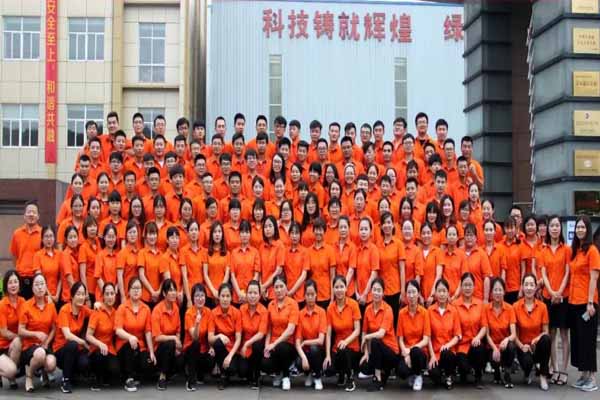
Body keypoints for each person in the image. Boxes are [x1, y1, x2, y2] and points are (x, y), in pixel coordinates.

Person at [569, 215, 599, 392]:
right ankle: (584, 375)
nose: (580, 230)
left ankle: (592, 378)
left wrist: (590, 303)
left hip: (587, 303)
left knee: (588, 341)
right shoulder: (576, 251)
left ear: (587, 230)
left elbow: (594, 278)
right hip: (574, 301)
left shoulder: (592, 251)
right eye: (578, 227)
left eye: (583, 227)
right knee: (579, 340)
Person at [539, 215, 570, 386]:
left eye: (557, 225)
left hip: (563, 297)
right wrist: (551, 292)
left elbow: (567, 272)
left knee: (564, 334)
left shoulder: (566, 249)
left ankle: (564, 370)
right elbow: (543, 274)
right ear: (548, 229)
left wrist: (559, 292)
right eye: (552, 225)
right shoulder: (543, 250)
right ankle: (555, 368)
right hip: (548, 297)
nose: (555, 228)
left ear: (560, 228)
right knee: (551, 334)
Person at [115, 277, 156, 392]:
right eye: (133, 288)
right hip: (124, 345)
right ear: (128, 291)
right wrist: (130, 337)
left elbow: (148, 331)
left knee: (148, 363)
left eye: (138, 288)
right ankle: (129, 378)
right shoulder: (122, 307)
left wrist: (151, 351)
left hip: (140, 346)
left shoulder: (146, 308)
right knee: (131, 345)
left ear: (142, 291)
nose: (136, 291)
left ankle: (135, 374)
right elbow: (118, 330)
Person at [18, 273, 57, 393]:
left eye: (42, 284)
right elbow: (20, 331)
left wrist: (47, 342)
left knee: (51, 364)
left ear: (46, 287)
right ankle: (29, 376)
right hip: (29, 346)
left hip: (44, 345)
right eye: (36, 284)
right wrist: (35, 334)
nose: (40, 287)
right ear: (32, 288)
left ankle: (45, 373)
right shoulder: (26, 306)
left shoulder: (50, 305)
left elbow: (54, 328)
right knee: (40, 354)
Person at [360, 278, 399, 392]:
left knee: (375, 341)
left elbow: (381, 334)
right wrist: (366, 353)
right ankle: (383, 373)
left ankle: (377, 378)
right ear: (371, 291)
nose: (376, 293)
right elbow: (364, 331)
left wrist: (367, 337)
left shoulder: (388, 309)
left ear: (383, 293)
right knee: (364, 366)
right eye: (374, 290)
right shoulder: (368, 309)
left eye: (379, 290)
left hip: (390, 352)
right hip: (377, 351)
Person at [323, 275, 361, 392]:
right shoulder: (330, 308)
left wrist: (346, 341)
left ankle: (350, 378)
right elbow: (328, 334)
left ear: (346, 288)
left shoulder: (353, 304)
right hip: (337, 347)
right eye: (336, 287)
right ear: (333, 289)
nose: (339, 290)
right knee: (328, 370)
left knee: (344, 351)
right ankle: (341, 373)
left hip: (352, 347)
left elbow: (357, 330)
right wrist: (328, 355)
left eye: (341, 287)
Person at [514, 273, 550, 391]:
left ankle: (543, 376)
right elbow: (514, 334)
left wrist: (538, 338)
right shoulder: (516, 306)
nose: (529, 288)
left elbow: (546, 332)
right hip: (523, 347)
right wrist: (521, 346)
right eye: (526, 285)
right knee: (527, 362)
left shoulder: (542, 307)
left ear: (535, 287)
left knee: (546, 339)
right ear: (522, 287)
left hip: (536, 346)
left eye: (531, 285)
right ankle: (526, 373)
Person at [54, 282, 92, 393]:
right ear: (72, 296)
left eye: (83, 294)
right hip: (61, 350)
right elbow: (67, 335)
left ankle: (73, 374)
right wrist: (83, 342)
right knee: (72, 345)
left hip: (75, 349)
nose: (81, 297)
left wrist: (99, 305)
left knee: (84, 362)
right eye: (78, 294)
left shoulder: (83, 309)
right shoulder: (64, 310)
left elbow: (96, 315)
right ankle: (65, 380)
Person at [262, 274, 299, 391]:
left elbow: (290, 330)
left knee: (281, 348)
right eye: (276, 287)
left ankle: (286, 376)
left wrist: (274, 344)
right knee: (264, 364)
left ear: (286, 287)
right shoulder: (270, 305)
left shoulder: (293, 304)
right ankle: (278, 372)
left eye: (281, 286)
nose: (278, 290)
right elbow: (269, 329)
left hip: (288, 345)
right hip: (273, 344)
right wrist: (267, 346)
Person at [454, 273, 487, 388]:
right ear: (461, 286)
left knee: (480, 349)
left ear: (474, 286)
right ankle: (464, 372)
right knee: (463, 366)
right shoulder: (455, 304)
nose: (467, 288)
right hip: (461, 345)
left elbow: (484, 326)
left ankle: (478, 376)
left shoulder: (480, 304)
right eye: (465, 285)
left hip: (475, 343)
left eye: (470, 285)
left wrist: (478, 337)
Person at [86, 282, 120, 391]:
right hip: (96, 349)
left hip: (110, 349)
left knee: (115, 372)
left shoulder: (116, 312)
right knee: (100, 356)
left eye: (112, 294)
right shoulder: (97, 311)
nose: (110, 297)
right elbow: (88, 336)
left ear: (115, 295)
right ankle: (96, 378)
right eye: (107, 294)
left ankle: (105, 376)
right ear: (103, 296)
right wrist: (100, 344)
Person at [396, 280, 429, 391]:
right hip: (406, 351)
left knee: (416, 352)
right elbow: (400, 339)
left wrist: (410, 351)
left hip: (420, 352)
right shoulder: (401, 313)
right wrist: (405, 352)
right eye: (409, 292)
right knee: (401, 371)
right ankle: (411, 374)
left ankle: (418, 376)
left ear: (418, 294)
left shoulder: (424, 313)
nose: (411, 295)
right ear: (406, 295)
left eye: (414, 292)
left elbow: (426, 340)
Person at [428, 278, 461, 390]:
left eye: (444, 291)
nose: (442, 294)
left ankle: (448, 376)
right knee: (434, 375)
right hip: (435, 353)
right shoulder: (430, 311)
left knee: (446, 354)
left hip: (449, 352)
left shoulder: (453, 311)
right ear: (435, 293)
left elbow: (457, 335)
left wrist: (447, 345)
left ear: (448, 293)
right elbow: (427, 336)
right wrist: (432, 356)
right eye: (439, 291)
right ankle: (440, 373)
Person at [208, 283, 242, 390]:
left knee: (235, 370)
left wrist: (230, 356)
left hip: (233, 349)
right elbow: (210, 338)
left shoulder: (237, 313)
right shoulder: (213, 313)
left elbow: (238, 339)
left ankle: (227, 371)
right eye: (222, 296)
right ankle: (223, 375)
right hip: (220, 348)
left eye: (228, 296)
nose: (225, 299)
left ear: (231, 298)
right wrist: (220, 335)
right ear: (219, 297)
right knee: (217, 342)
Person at [485, 277, 517, 388]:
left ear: (504, 291)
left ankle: (507, 372)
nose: (498, 293)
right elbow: (487, 334)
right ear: (491, 292)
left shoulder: (510, 308)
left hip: (504, 345)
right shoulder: (486, 309)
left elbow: (513, 334)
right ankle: (497, 372)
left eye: (500, 290)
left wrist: (506, 339)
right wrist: (495, 348)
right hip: (492, 346)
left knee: (511, 346)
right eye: (495, 290)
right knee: (493, 357)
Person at [152, 279, 183, 391]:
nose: (173, 293)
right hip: (159, 348)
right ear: (164, 294)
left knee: (181, 359)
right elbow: (157, 337)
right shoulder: (157, 310)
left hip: (171, 346)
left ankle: (170, 372)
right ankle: (162, 376)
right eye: (170, 290)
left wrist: (177, 344)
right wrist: (174, 339)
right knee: (169, 344)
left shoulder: (176, 308)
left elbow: (178, 330)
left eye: (175, 290)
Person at [295, 279, 327, 390]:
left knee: (314, 349)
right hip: (306, 351)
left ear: (316, 295)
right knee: (299, 362)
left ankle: (317, 377)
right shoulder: (300, 314)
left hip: (318, 351)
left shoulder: (322, 312)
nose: (310, 297)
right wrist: (303, 357)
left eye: (312, 294)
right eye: (307, 294)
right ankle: (308, 374)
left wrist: (305, 342)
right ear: (304, 296)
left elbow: (321, 340)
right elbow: (297, 341)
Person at [183, 283, 214, 391]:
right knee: (196, 344)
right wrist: (197, 323)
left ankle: (200, 373)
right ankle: (190, 380)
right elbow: (195, 337)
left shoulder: (209, 312)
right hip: (190, 348)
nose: (200, 299)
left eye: (202, 295)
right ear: (193, 298)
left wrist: (212, 347)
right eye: (197, 296)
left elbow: (210, 334)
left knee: (212, 356)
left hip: (203, 349)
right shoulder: (189, 313)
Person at [239, 280, 268, 389]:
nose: (252, 296)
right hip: (244, 348)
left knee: (257, 344)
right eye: (250, 293)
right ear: (246, 294)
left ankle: (257, 375)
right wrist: (242, 346)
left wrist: (247, 343)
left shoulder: (264, 311)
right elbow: (239, 331)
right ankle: (250, 372)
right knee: (242, 372)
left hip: (256, 347)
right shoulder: (242, 309)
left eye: (255, 293)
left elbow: (261, 334)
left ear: (259, 295)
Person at [9, 200, 41, 299]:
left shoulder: (42, 234)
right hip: (20, 277)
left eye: (34, 212)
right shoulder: (17, 234)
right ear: (24, 216)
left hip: (37, 278)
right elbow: (14, 255)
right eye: (29, 212)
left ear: (38, 216)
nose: (31, 214)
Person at [0, 270, 24, 389]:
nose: (13, 285)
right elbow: (4, 332)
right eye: (10, 282)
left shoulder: (23, 302)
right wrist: (20, 336)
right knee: (11, 371)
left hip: (15, 345)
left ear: (19, 284)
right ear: (6, 285)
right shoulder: (2, 305)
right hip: (2, 346)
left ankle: (11, 378)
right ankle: (10, 374)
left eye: (15, 282)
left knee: (18, 342)